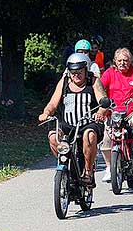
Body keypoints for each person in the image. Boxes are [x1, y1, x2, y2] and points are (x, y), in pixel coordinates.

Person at [39, 53, 107, 186]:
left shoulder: (93, 81)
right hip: (67, 125)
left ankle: (88, 172)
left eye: (79, 72)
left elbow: (102, 101)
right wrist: (46, 113)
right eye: (73, 72)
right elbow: (53, 103)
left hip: (88, 123)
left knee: (89, 135)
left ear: (86, 70)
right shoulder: (64, 81)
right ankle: (65, 162)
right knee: (53, 136)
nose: (76, 75)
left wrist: (100, 112)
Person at [99, 48, 133, 182]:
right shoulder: (110, 73)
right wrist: (103, 101)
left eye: (126, 60)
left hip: (132, 110)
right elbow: (99, 85)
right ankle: (109, 167)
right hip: (114, 111)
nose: (123, 63)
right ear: (115, 61)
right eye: (120, 60)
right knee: (106, 139)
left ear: (131, 61)